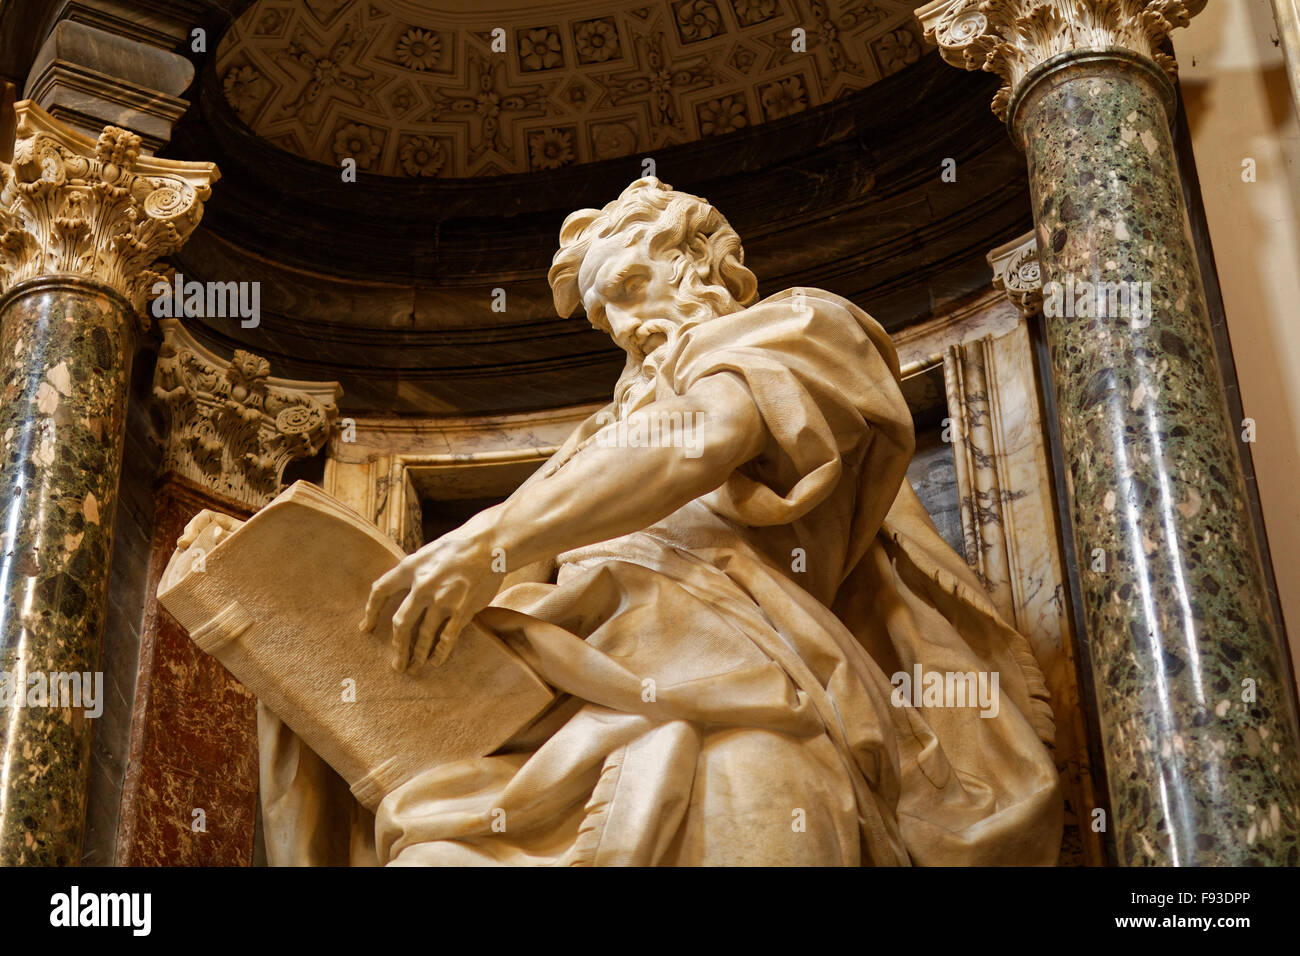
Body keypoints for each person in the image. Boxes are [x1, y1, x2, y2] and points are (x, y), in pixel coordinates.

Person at [260, 177, 1062, 866]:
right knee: (431, 849)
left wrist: (492, 543)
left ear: (696, 260)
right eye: (605, 313)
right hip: (567, 710)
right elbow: (483, 612)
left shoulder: (802, 330)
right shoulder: (592, 447)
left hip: (747, 699)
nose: (624, 325)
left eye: (633, 285)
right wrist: (310, 612)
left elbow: (702, 437)